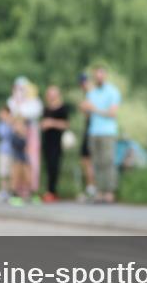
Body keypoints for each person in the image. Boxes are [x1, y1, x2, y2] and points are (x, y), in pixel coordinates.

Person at [79, 65, 122, 203]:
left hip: (107, 132)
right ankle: (100, 191)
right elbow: (87, 115)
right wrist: (84, 109)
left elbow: (112, 113)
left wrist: (94, 109)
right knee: (96, 163)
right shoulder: (91, 93)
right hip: (93, 132)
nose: (99, 77)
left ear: (105, 75)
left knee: (108, 162)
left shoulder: (112, 92)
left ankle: (109, 192)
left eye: (101, 74)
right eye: (96, 75)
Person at [40, 85, 70, 202]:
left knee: (54, 165)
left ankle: (52, 191)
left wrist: (51, 123)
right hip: (47, 141)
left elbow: (66, 124)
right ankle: (50, 191)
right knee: (48, 166)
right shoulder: (45, 108)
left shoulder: (63, 108)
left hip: (57, 141)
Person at [76, 72, 98, 201]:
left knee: (89, 160)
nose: (83, 85)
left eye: (85, 82)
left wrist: (84, 108)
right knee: (85, 160)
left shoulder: (93, 95)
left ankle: (92, 188)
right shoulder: (88, 94)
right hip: (89, 129)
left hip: (93, 131)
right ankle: (91, 188)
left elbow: (90, 113)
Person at [8, 116, 35, 206]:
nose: (21, 126)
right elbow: (16, 146)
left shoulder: (24, 135)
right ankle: (14, 195)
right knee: (16, 176)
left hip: (24, 157)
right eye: (18, 125)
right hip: (17, 158)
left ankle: (29, 194)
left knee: (28, 176)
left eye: (22, 125)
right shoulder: (14, 136)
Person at [0, 105, 14, 202]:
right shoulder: (0, 125)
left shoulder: (13, 124)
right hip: (3, 151)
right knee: (3, 172)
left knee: (11, 172)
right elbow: (3, 134)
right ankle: (3, 191)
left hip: (12, 151)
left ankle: (10, 191)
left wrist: (11, 123)